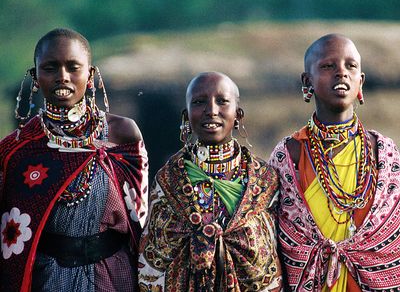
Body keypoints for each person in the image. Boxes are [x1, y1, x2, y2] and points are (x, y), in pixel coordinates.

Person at [0, 28, 148, 292]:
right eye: (50, 68)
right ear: (35, 77)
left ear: (90, 75)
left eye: (73, 67)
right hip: (47, 280)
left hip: (114, 277)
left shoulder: (122, 134)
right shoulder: (16, 150)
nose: (62, 77)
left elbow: (143, 222)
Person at [268, 33, 400, 291]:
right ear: (308, 81)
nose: (342, 73)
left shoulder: (382, 152)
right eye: (328, 66)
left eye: (351, 66)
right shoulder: (290, 154)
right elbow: (274, 240)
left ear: (360, 81)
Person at [138, 71, 282, 291]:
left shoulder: (264, 180)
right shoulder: (169, 179)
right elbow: (152, 260)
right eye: (199, 102)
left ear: (238, 115)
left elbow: (274, 253)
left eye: (222, 101)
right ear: (186, 116)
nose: (211, 110)